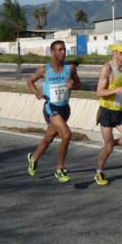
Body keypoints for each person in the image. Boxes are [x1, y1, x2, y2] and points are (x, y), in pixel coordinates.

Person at [26, 40, 82, 182]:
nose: (63, 52)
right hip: (51, 107)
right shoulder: (44, 70)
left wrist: (73, 86)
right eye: (59, 50)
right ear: (52, 52)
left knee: (49, 138)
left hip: (64, 109)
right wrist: (37, 93)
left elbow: (79, 84)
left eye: (64, 49)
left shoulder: (70, 68)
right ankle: (60, 169)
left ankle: (33, 158)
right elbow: (30, 81)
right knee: (67, 135)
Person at [95, 40, 122, 185]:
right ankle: (99, 172)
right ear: (115, 52)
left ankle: (110, 144)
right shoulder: (107, 68)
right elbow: (99, 92)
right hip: (106, 111)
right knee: (108, 147)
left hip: (121, 111)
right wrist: (117, 90)